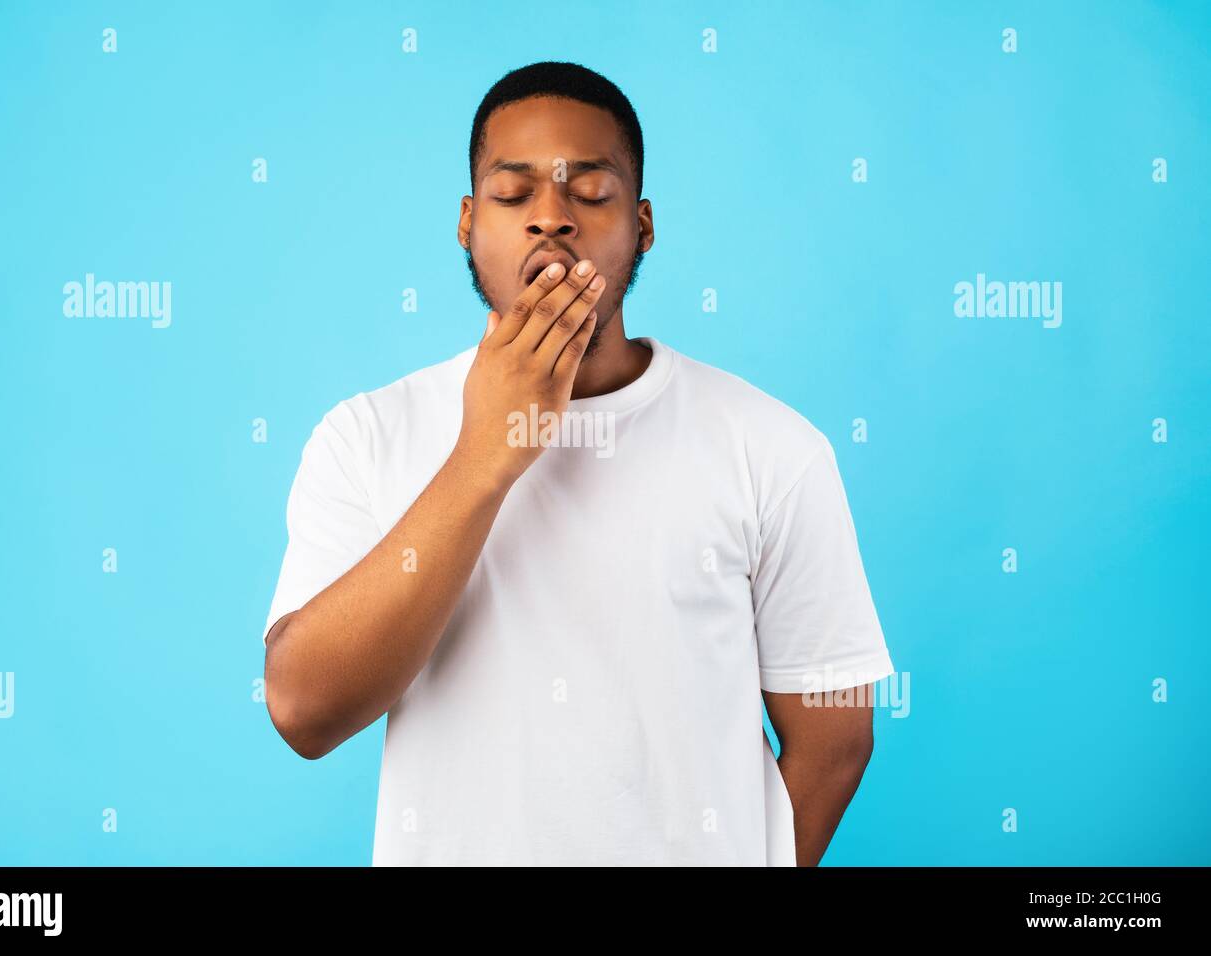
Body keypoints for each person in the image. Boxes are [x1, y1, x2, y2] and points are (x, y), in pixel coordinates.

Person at [262, 61, 895, 866]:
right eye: (513, 193)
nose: (551, 219)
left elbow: (834, 741)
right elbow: (303, 710)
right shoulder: (366, 435)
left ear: (644, 224)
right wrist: (488, 454)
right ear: (467, 221)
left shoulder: (772, 448)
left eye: (590, 193)